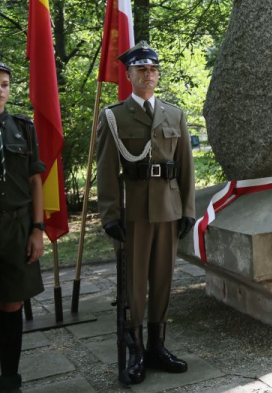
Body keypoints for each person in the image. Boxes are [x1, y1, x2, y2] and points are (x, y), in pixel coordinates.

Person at [97, 42, 196, 385]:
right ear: (128, 75)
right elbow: (106, 170)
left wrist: (187, 209)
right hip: (135, 211)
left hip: (168, 210)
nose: (148, 74)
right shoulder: (115, 115)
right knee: (136, 283)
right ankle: (136, 349)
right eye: (141, 69)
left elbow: (185, 167)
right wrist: (109, 214)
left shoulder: (174, 114)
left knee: (165, 280)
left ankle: (158, 346)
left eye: (153, 69)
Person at [0, 63, 46, 393]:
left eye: (4, 84)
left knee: (12, 303)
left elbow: (34, 180)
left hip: (16, 227)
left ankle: (10, 379)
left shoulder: (23, 128)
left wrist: (38, 229)